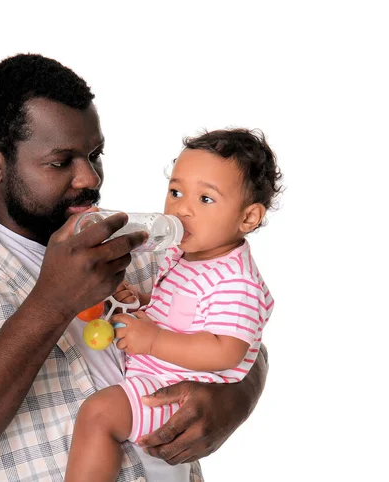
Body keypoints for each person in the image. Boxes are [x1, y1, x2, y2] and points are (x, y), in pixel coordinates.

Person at [0, 54, 269, 482]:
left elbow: (235, 334)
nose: (90, 178)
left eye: (95, 154)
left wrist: (238, 398)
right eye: (61, 162)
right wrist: (51, 303)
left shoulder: (137, 237)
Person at [65, 128, 281, 481]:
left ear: (248, 218)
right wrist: (139, 301)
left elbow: (227, 350)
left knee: (98, 415)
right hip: (154, 379)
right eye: (176, 192)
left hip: (175, 397)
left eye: (206, 199)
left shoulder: (235, 281)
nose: (182, 209)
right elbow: (183, 312)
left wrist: (152, 341)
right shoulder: (182, 256)